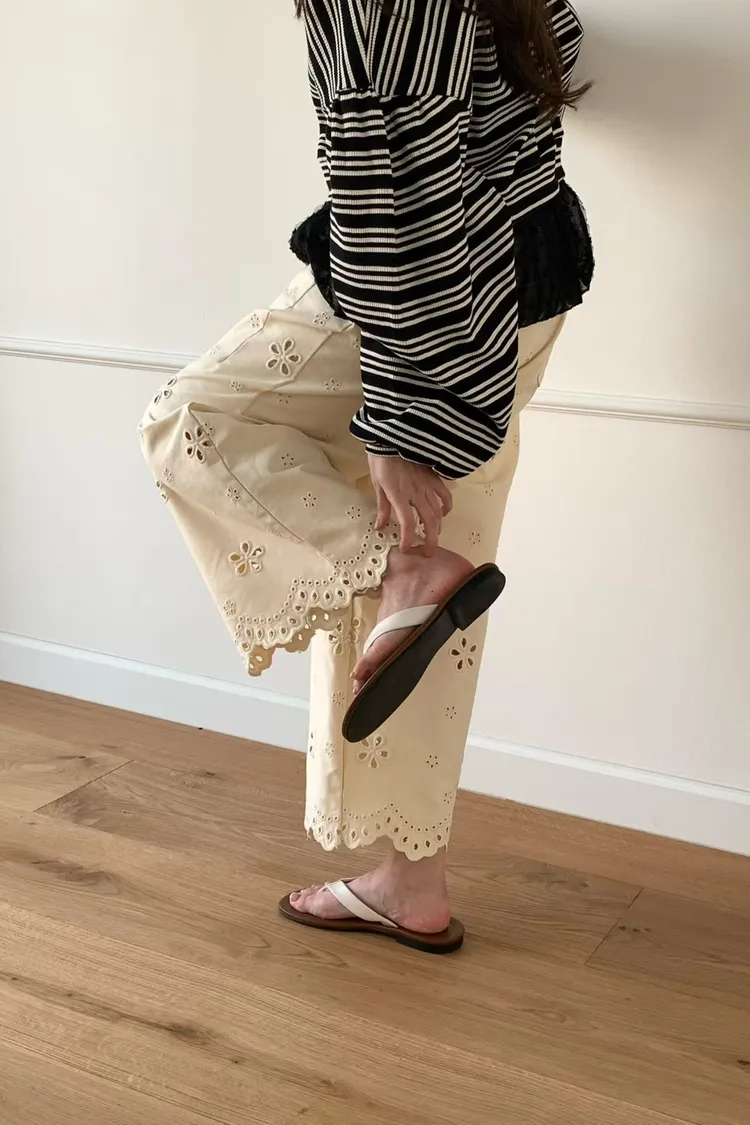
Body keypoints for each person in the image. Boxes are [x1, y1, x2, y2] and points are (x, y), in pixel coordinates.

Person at [140, 0, 593, 953]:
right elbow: (550, 39)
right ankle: (410, 882)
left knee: (191, 421)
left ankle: (398, 572)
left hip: (433, 299)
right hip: (524, 279)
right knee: (428, 602)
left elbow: (394, 198)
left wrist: (395, 418)